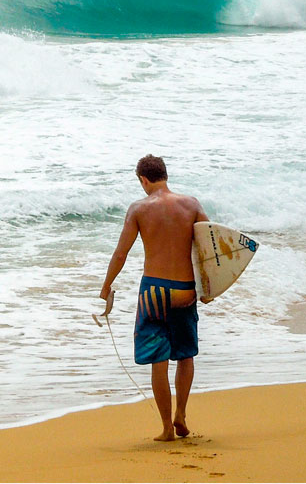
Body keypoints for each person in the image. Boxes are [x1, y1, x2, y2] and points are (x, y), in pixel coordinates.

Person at [99, 154, 209, 441]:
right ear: (165, 176)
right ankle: (181, 414)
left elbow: (121, 253)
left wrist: (106, 285)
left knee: (158, 360)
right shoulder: (192, 204)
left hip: (154, 291)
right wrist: (209, 289)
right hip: (185, 289)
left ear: (143, 180)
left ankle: (166, 428)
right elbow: (210, 248)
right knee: (185, 356)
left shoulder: (139, 208)